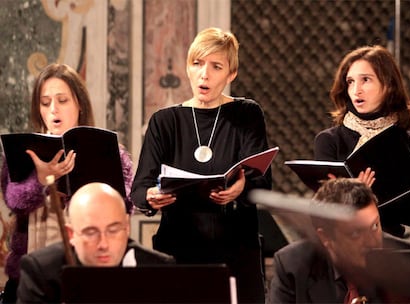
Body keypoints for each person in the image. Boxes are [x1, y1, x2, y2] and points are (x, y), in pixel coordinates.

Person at [131, 27, 272, 303]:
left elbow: (263, 180)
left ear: (231, 74)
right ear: (187, 67)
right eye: (197, 64)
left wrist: (241, 188)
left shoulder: (246, 114)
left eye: (216, 66)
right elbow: (139, 188)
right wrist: (150, 196)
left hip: (236, 252)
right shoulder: (165, 121)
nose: (204, 74)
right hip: (179, 250)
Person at [0, 63, 134, 303]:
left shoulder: (107, 149)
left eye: (62, 100)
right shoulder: (25, 149)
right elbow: (13, 200)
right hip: (30, 272)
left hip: (88, 272)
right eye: (45, 102)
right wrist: (40, 180)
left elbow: (125, 205)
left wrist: (81, 195)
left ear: (79, 103)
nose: (53, 110)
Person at [314, 45, 410, 237]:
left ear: (389, 85)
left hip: (397, 244)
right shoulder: (329, 141)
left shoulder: (408, 143)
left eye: (365, 80)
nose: (356, 90)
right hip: (343, 243)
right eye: (350, 82)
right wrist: (356, 197)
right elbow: (322, 211)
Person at [16, 182, 175, 303]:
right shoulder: (41, 270)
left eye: (113, 230)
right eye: (91, 233)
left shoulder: (159, 269)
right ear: (71, 234)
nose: (103, 244)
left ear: (127, 227)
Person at [267, 178, 410, 304]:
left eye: (375, 226)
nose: (372, 242)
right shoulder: (293, 265)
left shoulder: (407, 263)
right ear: (325, 237)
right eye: (356, 233)